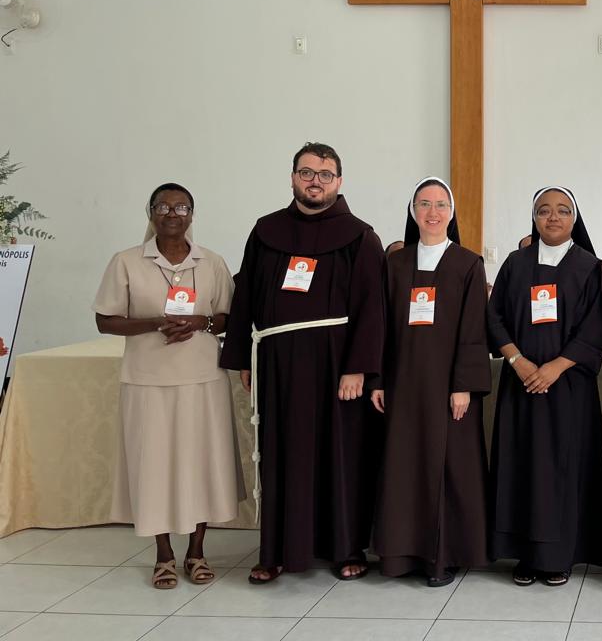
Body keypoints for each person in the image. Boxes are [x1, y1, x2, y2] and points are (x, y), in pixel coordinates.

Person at [220, 142, 386, 584]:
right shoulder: (265, 231)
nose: (315, 181)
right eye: (307, 172)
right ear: (293, 177)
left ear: (339, 182)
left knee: (340, 455)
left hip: (337, 367)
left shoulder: (360, 235)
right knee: (280, 454)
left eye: (325, 174)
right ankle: (276, 550)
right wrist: (243, 357)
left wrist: (359, 367)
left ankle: (346, 547)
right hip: (277, 362)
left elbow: (373, 308)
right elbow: (247, 296)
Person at [93, 183, 242, 589]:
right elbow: (105, 320)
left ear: (192, 214)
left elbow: (229, 317)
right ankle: (163, 554)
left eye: (181, 207)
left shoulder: (211, 262)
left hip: (203, 379)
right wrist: (156, 322)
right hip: (147, 381)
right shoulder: (126, 262)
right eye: (164, 206)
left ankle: (196, 552)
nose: (173, 213)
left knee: (202, 463)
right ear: (151, 212)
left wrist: (201, 322)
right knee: (154, 466)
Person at [487, 186, 602, 586]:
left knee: (564, 471)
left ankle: (560, 556)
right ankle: (525, 556)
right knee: (521, 468)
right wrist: (519, 362)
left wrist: (555, 368)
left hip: (568, 389)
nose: (553, 217)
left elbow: (596, 327)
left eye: (562, 210)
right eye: (544, 211)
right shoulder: (515, 263)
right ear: (535, 218)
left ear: (574, 218)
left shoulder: (590, 267)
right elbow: (494, 318)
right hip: (521, 385)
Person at [371, 177, 491, 587]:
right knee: (404, 467)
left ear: (451, 212)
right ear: (413, 211)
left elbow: (474, 329)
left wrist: (463, 385)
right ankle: (402, 553)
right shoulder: (395, 265)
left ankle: (447, 554)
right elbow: (380, 328)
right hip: (403, 385)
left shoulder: (468, 264)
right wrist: (378, 380)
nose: (433, 212)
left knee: (449, 468)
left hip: (447, 387)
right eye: (424, 204)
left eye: (441, 204)